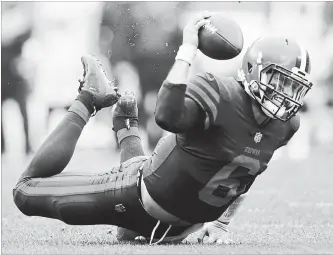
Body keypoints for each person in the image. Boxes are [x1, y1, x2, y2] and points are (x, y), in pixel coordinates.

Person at [13, 12, 313, 245]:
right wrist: (187, 49)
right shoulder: (220, 94)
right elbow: (166, 117)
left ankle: (126, 125)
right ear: (253, 71)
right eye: (279, 81)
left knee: (125, 233)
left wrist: (221, 223)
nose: (284, 94)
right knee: (25, 192)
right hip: (137, 198)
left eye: (294, 87)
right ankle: (89, 98)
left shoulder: (286, 125)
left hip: (176, 228)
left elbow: (247, 173)